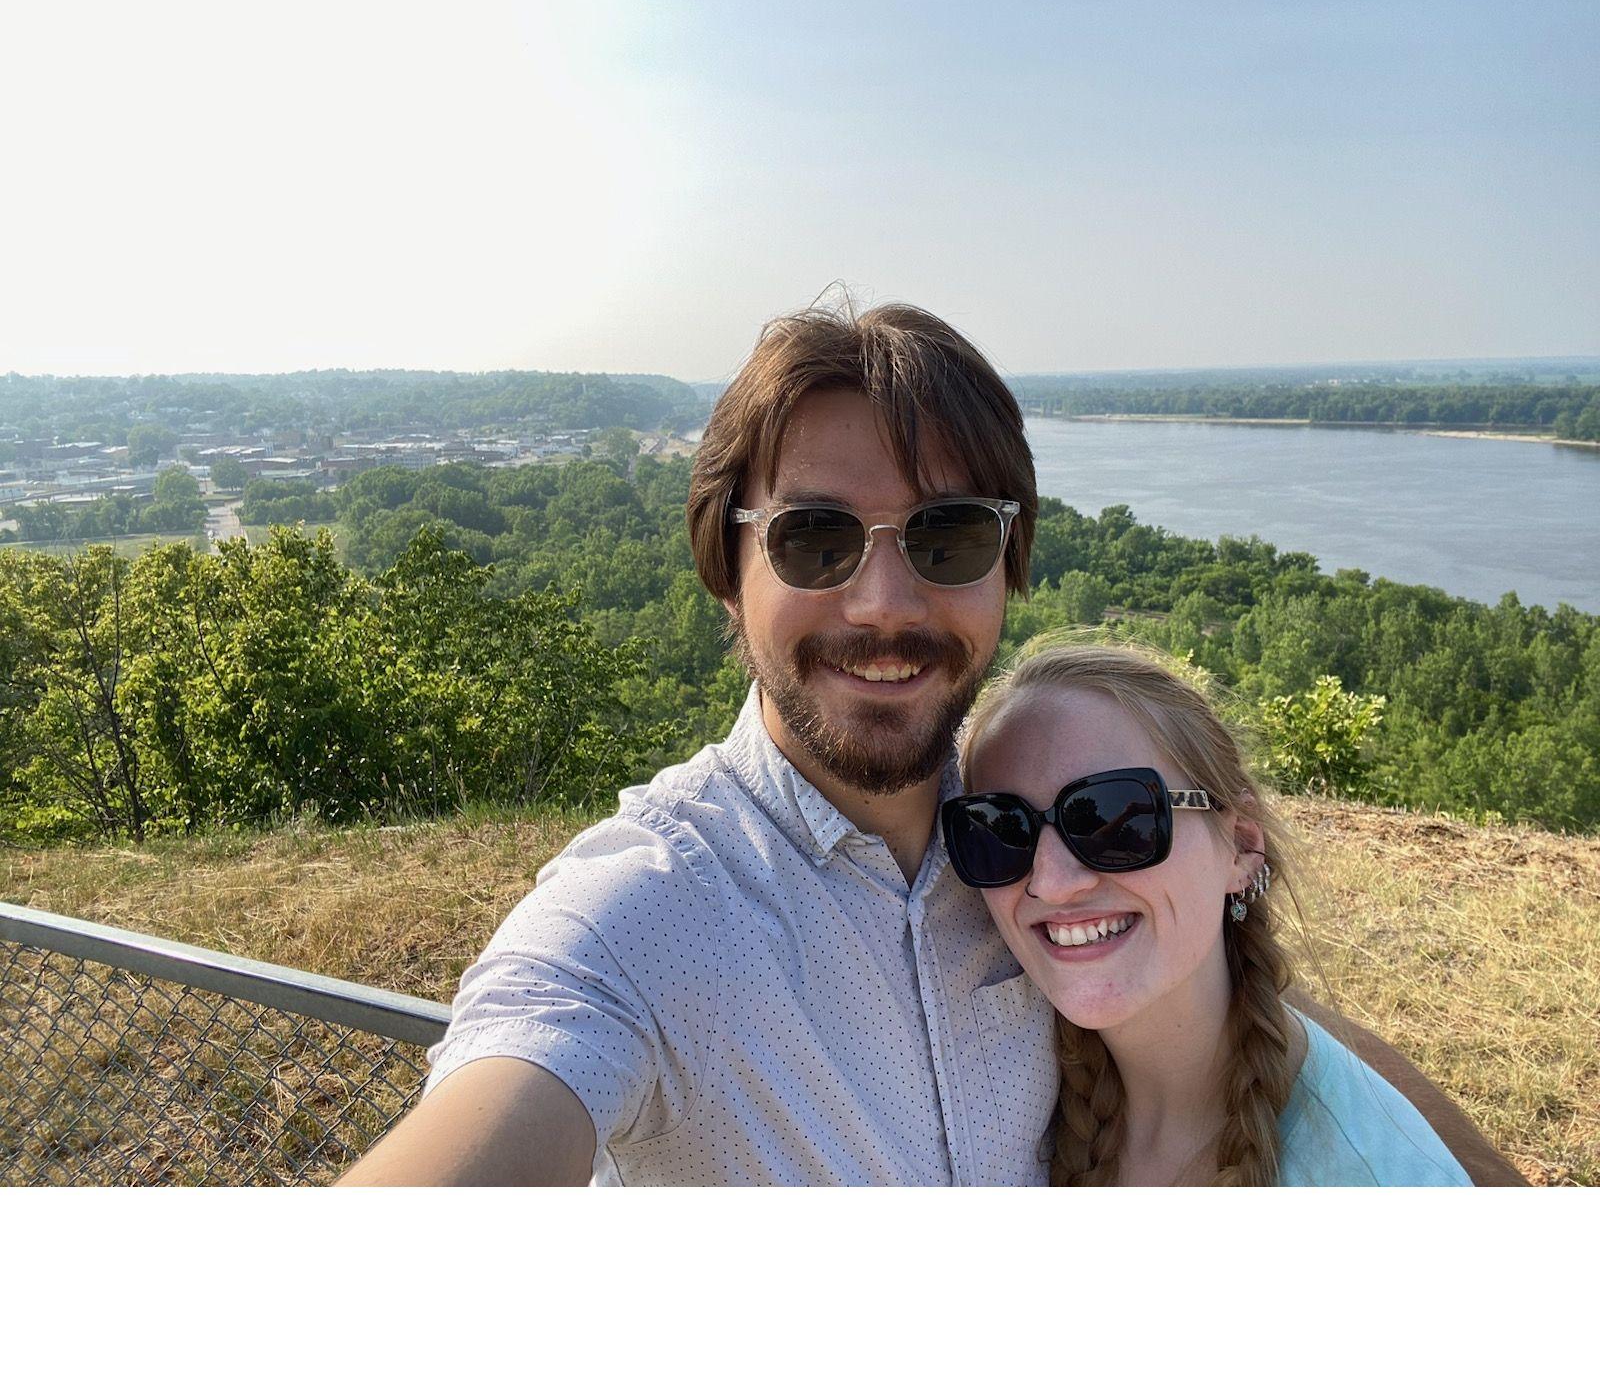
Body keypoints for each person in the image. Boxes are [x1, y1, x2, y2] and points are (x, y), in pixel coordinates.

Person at [338, 298, 1520, 1186]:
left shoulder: (1022, 844)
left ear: (1008, 567)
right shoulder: (645, 914)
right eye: (814, 539)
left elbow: (1232, 1010)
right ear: (725, 569)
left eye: (946, 536)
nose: (884, 603)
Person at [945, 638, 1472, 1185]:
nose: (1052, 883)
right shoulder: (1004, 1101)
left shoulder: (1380, 1179)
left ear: (1241, 846)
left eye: (1114, 819)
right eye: (999, 830)